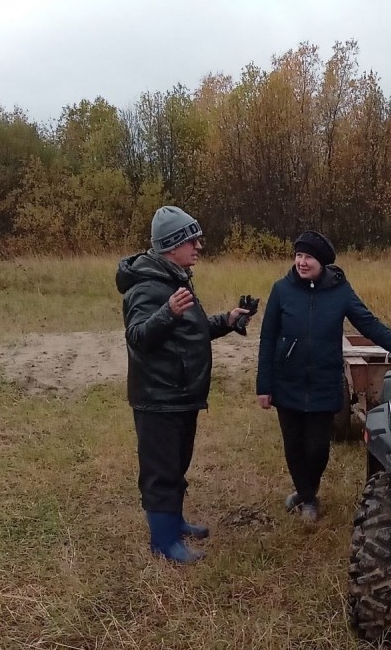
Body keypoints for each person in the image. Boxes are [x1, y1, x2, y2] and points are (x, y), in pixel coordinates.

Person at [256, 230, 391, 523]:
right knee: (294, 446)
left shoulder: (339, 291)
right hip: (289, 382)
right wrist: (264, 384)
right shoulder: (281, 290)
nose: (301, 262)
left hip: (325, 382)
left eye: (308, 257)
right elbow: (267, 338)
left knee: (317, 449)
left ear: (322, 261)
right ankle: (307, 496)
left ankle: (306, 490)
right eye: (298, 255)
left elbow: (370, 326)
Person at [116, 206, 252, 564]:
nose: (199, 246)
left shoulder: (175, 277)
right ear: (173, 244)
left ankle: (174, 523)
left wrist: (227, 320)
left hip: (180, 395)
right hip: (158, 398)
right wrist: (167, 313)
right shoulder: (146, 286)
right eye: (192, 239)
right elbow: (137, 336)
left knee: (177, 464)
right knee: (161, 470)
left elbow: (192, 328)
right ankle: (164, 542)